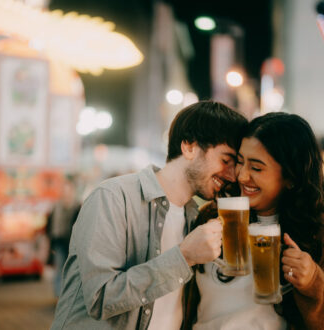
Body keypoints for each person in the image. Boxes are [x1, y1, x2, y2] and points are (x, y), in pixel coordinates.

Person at [50, 101, 248, 330]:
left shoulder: (196, 217)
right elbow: (100, 298)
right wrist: (184, 257)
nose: (233, 175)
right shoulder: (114, 197)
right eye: (225, 160)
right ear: (190, 147)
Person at [187, 112, 324, 329]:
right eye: (240, 162)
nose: (242, 176)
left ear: (291, 177)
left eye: (256, 168)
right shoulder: (211, 217)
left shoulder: (323, 234)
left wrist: (313, 284)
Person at [49, 177, 82, 297]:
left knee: (71, 270)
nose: (66, 192)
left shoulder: (77, 206)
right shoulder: (56, 206)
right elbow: (51, 225)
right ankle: (59, 295)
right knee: (59, 269)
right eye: (64, 190)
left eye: (68, 190)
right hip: (59, 242)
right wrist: (51, 243)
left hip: (72, 243)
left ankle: (69, 295)